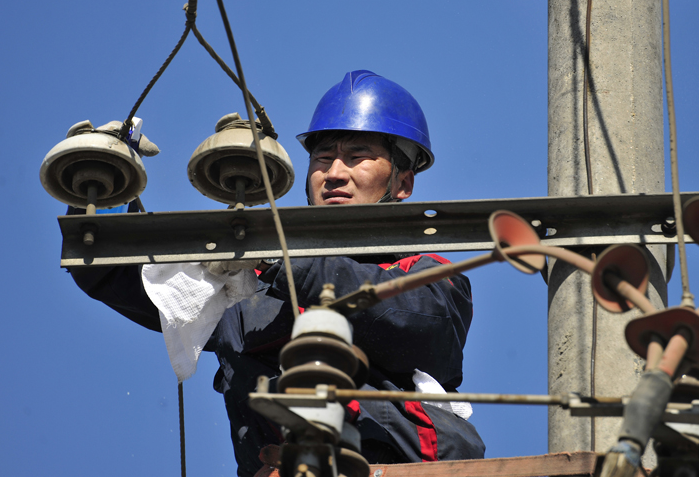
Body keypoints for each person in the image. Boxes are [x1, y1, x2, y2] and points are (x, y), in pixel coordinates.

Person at [67, 70, 485, 476]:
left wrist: (276, 257)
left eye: (357, 157)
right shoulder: (247, 295)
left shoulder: (426, 275)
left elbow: (416, 323)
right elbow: (117, 278)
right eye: (323, 158)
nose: (334, 173)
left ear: (403, 183)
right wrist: (104, 188)